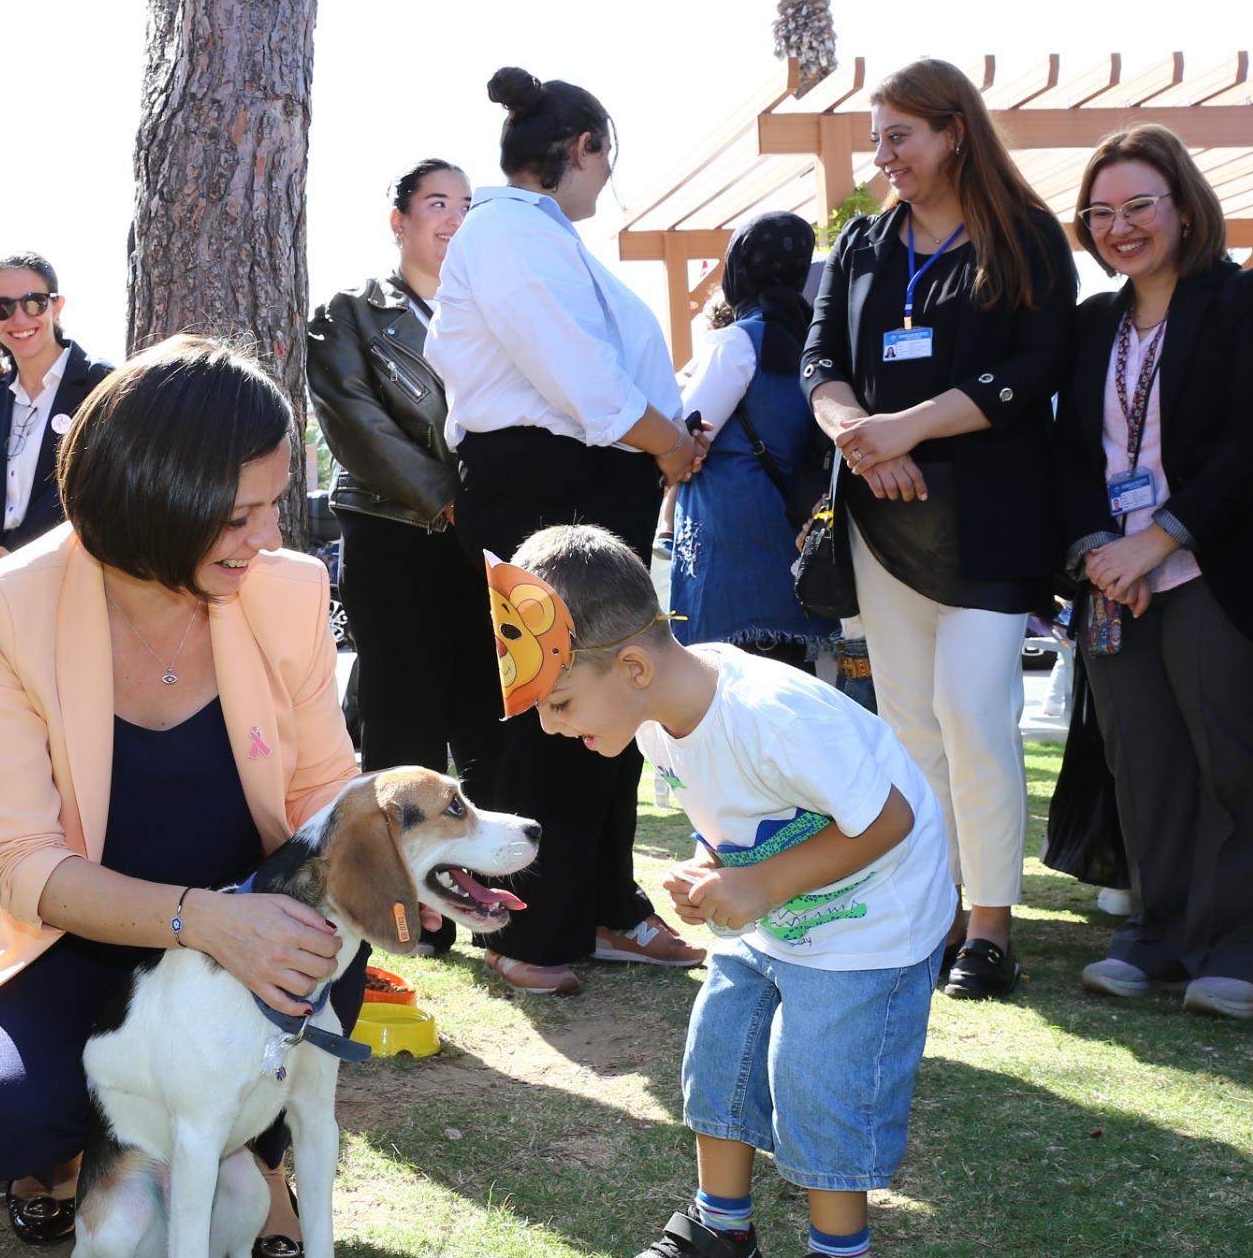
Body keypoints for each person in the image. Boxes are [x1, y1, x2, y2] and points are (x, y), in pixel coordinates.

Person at [0, 335, 363, 1258]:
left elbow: (324, 800)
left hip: (248, 934)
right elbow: (16, 860)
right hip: (71, 939)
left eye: (272, 505)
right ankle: (101, 1148)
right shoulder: (3, 605)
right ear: (157, 503)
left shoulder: (286, 591)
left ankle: (248, 1155)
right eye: (241, 515)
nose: (270, 536)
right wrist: (203, 919)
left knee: (315, 956)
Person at [508, 526, 947, 1258]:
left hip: (872, 926)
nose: (550, 727)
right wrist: (716, 870)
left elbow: (888, 820)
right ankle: (723, 1235)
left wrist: (764, 887)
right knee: (723, 1054)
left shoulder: (769, 713)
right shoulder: (656, 721)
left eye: (558, 703)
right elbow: (740, 818)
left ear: (631, 669)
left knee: (817, 1077)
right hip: (780, 915)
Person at [424, 67, 707, 996]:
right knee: (556, 704)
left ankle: (603, 904)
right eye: (603, 160)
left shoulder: (537, 236)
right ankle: (527, 928)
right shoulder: (505, 230)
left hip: (592, 485)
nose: (603, 179)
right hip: (545, 484)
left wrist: (659, 449)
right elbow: (582, 383)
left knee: (611, 703)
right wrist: (670, 444)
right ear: (581, 149)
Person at [801, 57, 1078, 1001]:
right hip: (884, 522)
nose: (885, 158)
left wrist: (906, 429)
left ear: (955, 130)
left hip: (993, 523)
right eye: (878, 140)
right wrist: (862, 442)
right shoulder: (863, 245)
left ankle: (993, 924)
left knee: (973, 714)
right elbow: (819, 360)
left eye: (900, 138)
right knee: (909, 725)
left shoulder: (1028, 237)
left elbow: (1034, 370)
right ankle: (936, 915)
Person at [1055, 127, 1253, 1019]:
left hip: (1211, 570)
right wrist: (1097, 551)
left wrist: (1160, 538)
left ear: (1185, 209)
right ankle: (1155, 938)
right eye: (1101, 212)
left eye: (1139, 206)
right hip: (1115, 580)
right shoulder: (1091, 324)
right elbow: (1070, 454)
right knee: (1143, 763)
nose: (1120, 226)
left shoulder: (1247, 299)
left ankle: (1243, 951)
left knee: (1233, 762)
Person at [306, 157, 499, 802]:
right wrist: (447, 500)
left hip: (484, 539)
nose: (455, 218)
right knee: (402, 728)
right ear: (400, 218)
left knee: (488, 720)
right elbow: (355, 424)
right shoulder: (350, 312)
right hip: (395, 538)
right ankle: (396, 895)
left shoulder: (492, 310)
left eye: (467, 206)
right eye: (439, 203)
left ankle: (486, 887)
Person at [668, 211, 837, 664]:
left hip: (732, 540)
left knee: (730, 695)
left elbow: (682, 436)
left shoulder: (737, 342)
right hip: (792, 535)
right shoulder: (814, 342)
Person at [0, 252, 115, 571]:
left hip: (72, 575)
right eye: (3, 307)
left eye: (34, 302)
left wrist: (22, 556)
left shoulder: (102, 383)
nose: (20, 318)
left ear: (57, 305)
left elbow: (103, 490)